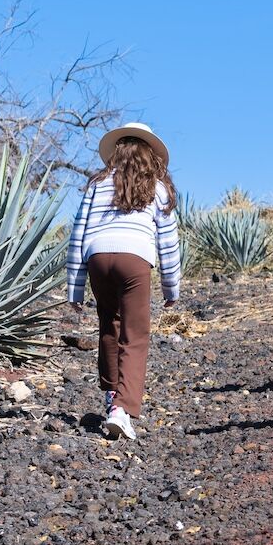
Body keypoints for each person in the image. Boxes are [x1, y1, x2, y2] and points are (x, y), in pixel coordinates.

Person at [66, 122, 181, 441]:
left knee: (109, 326)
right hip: (134, 259)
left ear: (118, 151)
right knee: (135, 335)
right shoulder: (157, 188)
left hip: (97, 259)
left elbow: (78, 234)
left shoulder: (97, 184)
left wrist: (74, 287)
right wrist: (172, 288)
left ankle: (110, 394)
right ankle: (121, 409)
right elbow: (168, 242)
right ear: (151, 155)